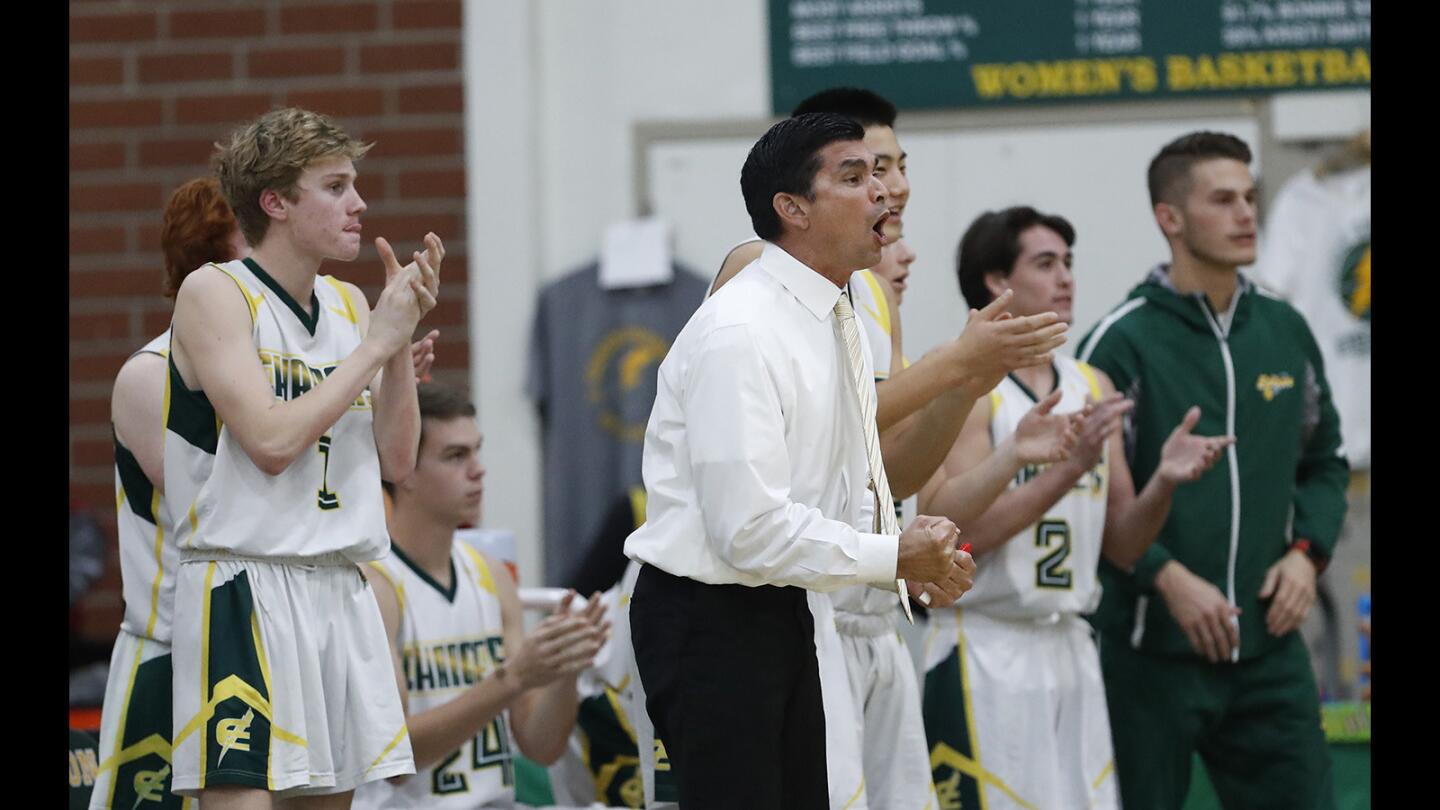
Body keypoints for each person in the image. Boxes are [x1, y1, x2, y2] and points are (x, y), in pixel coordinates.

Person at [709, 87, 1069, 808]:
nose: (891, 185)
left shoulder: (872, 295)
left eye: (898, 165)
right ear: (799, 197)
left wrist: (967, 386)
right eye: (868, 168)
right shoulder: (757, 271)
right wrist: (953, 366)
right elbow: (821, 426)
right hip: (774, 609)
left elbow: (889, 461)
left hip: (870, 609)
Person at [625, 112, 977, 809]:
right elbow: (748, 530)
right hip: (712, 619)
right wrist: (891, 557)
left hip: (788, 606)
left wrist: (914, 559)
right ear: (792, 209)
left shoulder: (833, 315)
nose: (881, 193)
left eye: (879, 174)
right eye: (854, 177)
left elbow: (847, 479)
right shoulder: (740, 330)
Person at [164, 107, 445, 806]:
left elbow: (399, 461)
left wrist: (397, 338)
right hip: (244, 588)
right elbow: (269, 443)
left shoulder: (350, 305)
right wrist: (378, 349)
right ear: (277, 202)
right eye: (337, 186)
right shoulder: (216, 293)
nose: (360, 204)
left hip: (334, 588)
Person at [918, 206, 1233, 810]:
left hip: (1070, 649)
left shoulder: (1093, 385)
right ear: (995, 282)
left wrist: (1163, 482)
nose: (1066, 278)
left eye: (1069, 263)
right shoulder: (967, 386)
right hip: (985, 648)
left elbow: (1122, 544)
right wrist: (1066, 471)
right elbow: (960, 537)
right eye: (1046, 263)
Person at [1075, 131, 1349, 810]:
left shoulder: (1284, 330)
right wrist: (1164, 576)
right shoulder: (1122, 340)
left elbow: (1326, 462)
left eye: (1250, 198)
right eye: (1223, 200)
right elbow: (1093, 500)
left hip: (1269, 652)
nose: (1246, 214)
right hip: (1148, 656)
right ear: (1170, 218)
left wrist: (1306, 556)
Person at [353, 383, 608, 809]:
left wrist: (566, 670)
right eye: (456, 456)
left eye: (477, 451)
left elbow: (539, 747)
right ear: (404, 469)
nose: (479, 470)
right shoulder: (373, 585)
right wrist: (513, 678)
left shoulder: (490, 575)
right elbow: (393, 759)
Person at [90, 176, 247, 810]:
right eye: (252, 256)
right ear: (210, 272)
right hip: (170, 652)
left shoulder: (274, 373)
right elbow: (218, 508)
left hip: (249, 653)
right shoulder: (148, 374)